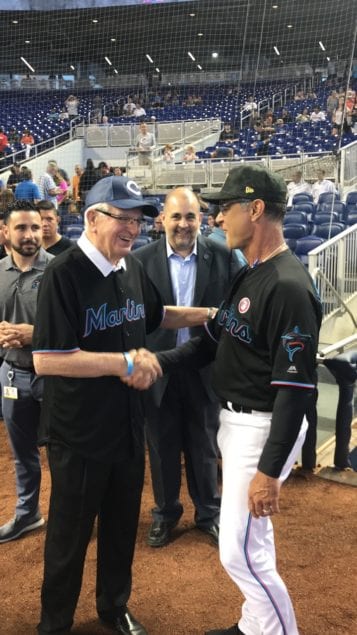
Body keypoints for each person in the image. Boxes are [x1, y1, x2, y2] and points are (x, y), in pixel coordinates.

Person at [31, 176, 214, 635]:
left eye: (139, 220)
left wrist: (212, 315)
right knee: (70, 537)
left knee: (119, 527)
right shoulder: (63, 274)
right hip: (80, 434)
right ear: (92, 218)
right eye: (124, 219)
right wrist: (123, 361)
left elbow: (160, 315)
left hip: (129, 426)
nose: (134, 229)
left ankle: (113, 607)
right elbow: (48, 360)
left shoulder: (130, 269)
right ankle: (55, 623)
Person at [155, 165, 322, 635]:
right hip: (236, 424)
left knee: (240, 551)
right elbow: (211, 339)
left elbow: (295, 391)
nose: (217, 219)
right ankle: (255, 625)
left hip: (263, 427)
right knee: (251, 544)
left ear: (255, 209)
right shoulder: (250, 273)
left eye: (225, 208)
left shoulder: (288, 286)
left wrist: (269, 474)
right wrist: (158, 362)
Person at [134, 187, 240, 549]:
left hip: (204, 369)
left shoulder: (224, 256)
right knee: (161, 445)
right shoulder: (140, 260)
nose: (183, 224)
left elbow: (237, 309)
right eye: (176, 216)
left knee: (204, 444)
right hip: (159, 371)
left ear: (201, 219)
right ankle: (165, 513)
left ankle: (208, 513)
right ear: (162, 218)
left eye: (190, 216)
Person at [0, 200, 54, 544]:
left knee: (64, 453)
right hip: (12, 375)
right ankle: (27, 514)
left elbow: (77, 327)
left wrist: (34, 334)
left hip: (55, 375)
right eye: (21, 228)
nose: (30, 234)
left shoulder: (60, 270)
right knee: (23, 454)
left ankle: (68, 518)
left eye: (35, 227)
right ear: (6, 232)